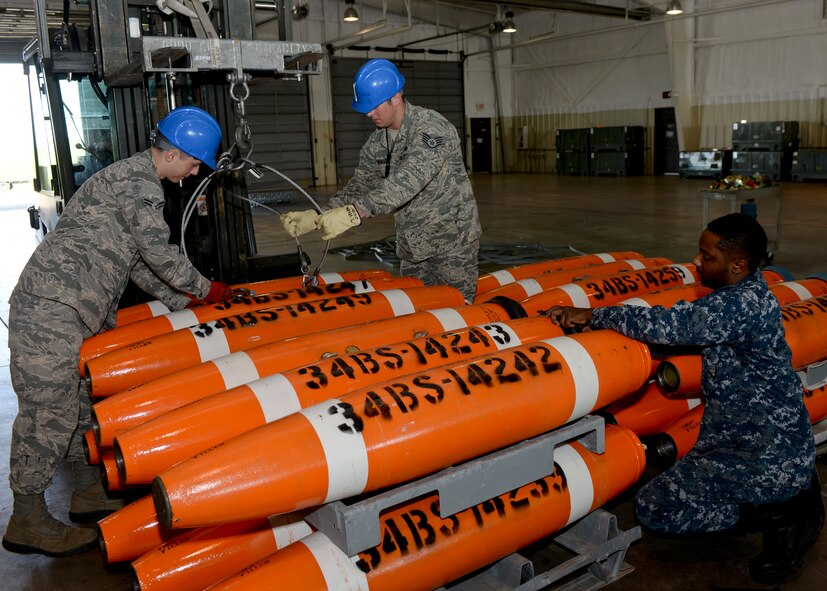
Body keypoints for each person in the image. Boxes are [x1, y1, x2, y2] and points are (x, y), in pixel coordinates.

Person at [2, 105, 236, 557]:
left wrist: (181, 304)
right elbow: (160, 254)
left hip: (70, 311)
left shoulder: (132, 180)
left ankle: (87, 492)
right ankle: (26, 520)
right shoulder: (139, 184)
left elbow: (136, 265)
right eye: (193, 163)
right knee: (48, 414)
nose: (192, 173)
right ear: (176, 153)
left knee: (80, 405)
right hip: (50, 310)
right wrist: (208, 290)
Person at [546, 213, 823, 585]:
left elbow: (666, 326)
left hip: (765, 450)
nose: (696, 261)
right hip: (738, 437)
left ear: (738, 264)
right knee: (669, 495)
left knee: (655, 509)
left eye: (707, 256)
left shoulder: (738, 306)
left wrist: (594, 315)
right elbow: (685, 322)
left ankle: (786, 512)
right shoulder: (741, 294)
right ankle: (783, 494)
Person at [280, 59, 481, 302]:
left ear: (395, 97)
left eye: (374, 106)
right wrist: (318, 214)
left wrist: (357, 212)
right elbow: (360, 186)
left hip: (452, 245)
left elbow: (407, 181)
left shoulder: (432, 129)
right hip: (413, 248)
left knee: (458, 313)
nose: (368, 113)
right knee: (419, 315)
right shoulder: (377, 144)